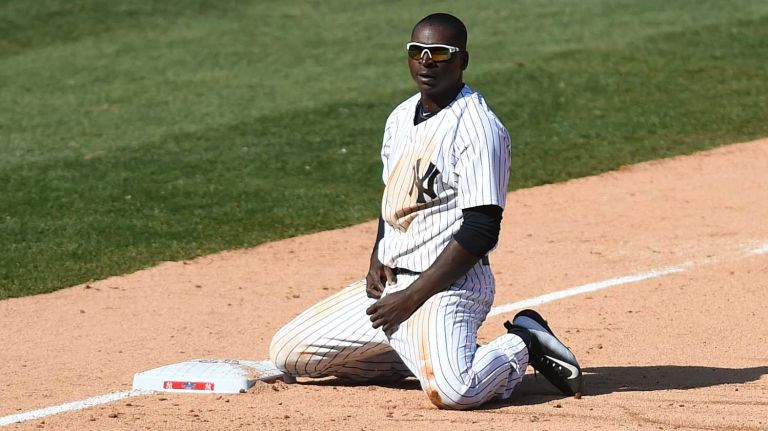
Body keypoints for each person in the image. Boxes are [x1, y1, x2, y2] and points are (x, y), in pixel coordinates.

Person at [269, 13, 582, 409]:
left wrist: (412, 297)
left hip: (448, 288)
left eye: (440, 53)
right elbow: (395, 198)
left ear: (463, 60)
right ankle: (425, 357)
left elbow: (482, 229)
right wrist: (377, 254)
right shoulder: (400, 117)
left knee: (456, 392)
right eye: (418, 52)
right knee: (291, 355)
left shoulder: (479, 129)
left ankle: (523, 342)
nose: (427, 61)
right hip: (393, 291)